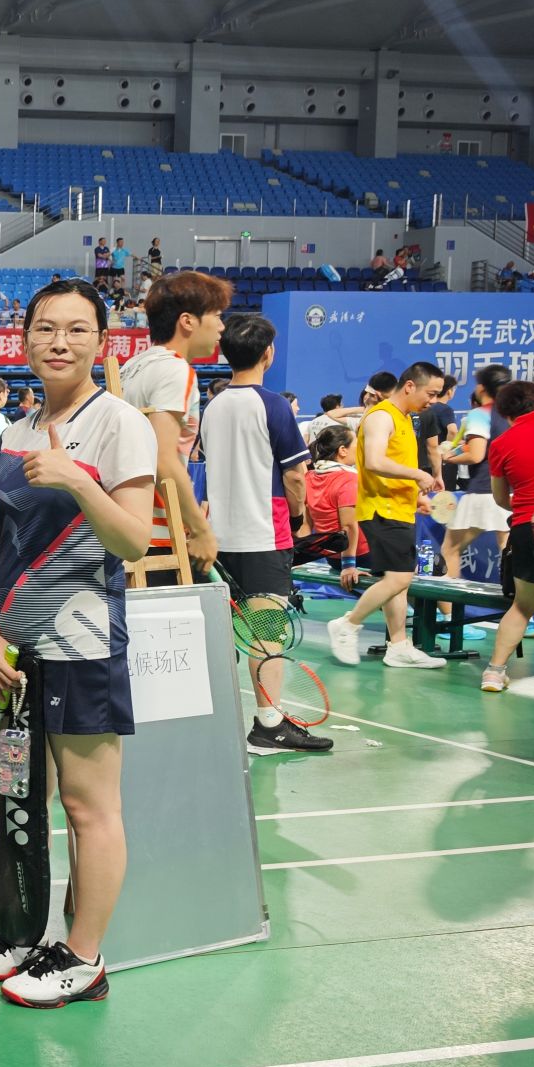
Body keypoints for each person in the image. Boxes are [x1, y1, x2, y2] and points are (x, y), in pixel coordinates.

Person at [0, 278, 155, 1006]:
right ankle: (20, 934)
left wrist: (79, 482)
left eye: (77, 330)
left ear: (101, 342)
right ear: (25, 340)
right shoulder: (14, 430)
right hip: (13, 653)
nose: (59, 342)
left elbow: (132, 541)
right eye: (45, 328)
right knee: (21, 796)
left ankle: (83, 956)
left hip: (81, 646)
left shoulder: (119, 424)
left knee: (86, 806)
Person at [200, 314, 331, 756]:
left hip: (219, 538)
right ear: (268, 354)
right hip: (263, 535)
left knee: (228, 637)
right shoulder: (273, 405)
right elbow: (295, 475)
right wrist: (298, 516)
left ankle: (224, 723)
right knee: (267, 633)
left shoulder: (214, 406)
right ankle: (269, 725)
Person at [325, 361, 445, 670]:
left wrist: (415, 496)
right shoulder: (381, 416)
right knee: (400, 577)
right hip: (382, 509)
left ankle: (399, 646)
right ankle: (347, 625)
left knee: (397, 582)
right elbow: (375, 462)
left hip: (399, 507)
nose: (433, 401)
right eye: (431, 393)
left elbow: (391, 467)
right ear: (410, 386)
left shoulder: (404, 418)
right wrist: (419, 474)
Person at [120, 270, 226, 575]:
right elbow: (162, 458)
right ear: (188, 321)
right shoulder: (176, 370)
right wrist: (202, 529)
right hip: (156, 534)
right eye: (217, 316)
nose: (221, 326)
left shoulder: (132, 366)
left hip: (125, 524)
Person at [484, 379, 534, 692]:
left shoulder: (501, 443)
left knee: (522, 606)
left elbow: (500, 498)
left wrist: (525, 506)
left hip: (527, 528)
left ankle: (494, 672)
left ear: (507, 414)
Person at [445, 366, 513, 594]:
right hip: (510, 490)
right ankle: (518, 605)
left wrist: (449, 458)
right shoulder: (512, 415)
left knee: (450, 550)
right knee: (508, 550)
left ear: (481, 388)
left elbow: (475, 455)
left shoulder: (478, 414)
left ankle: (448, 612)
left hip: (483, 490)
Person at [301, 426, 362, 579]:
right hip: (358, 557)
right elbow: (348, 526)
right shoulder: (348, 479)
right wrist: (348, 566)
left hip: (332, 558)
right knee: (403, 567)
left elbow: (306, 524)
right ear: (343, 450)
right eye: (357, 443)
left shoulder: (309, 477)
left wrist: (300, 558)